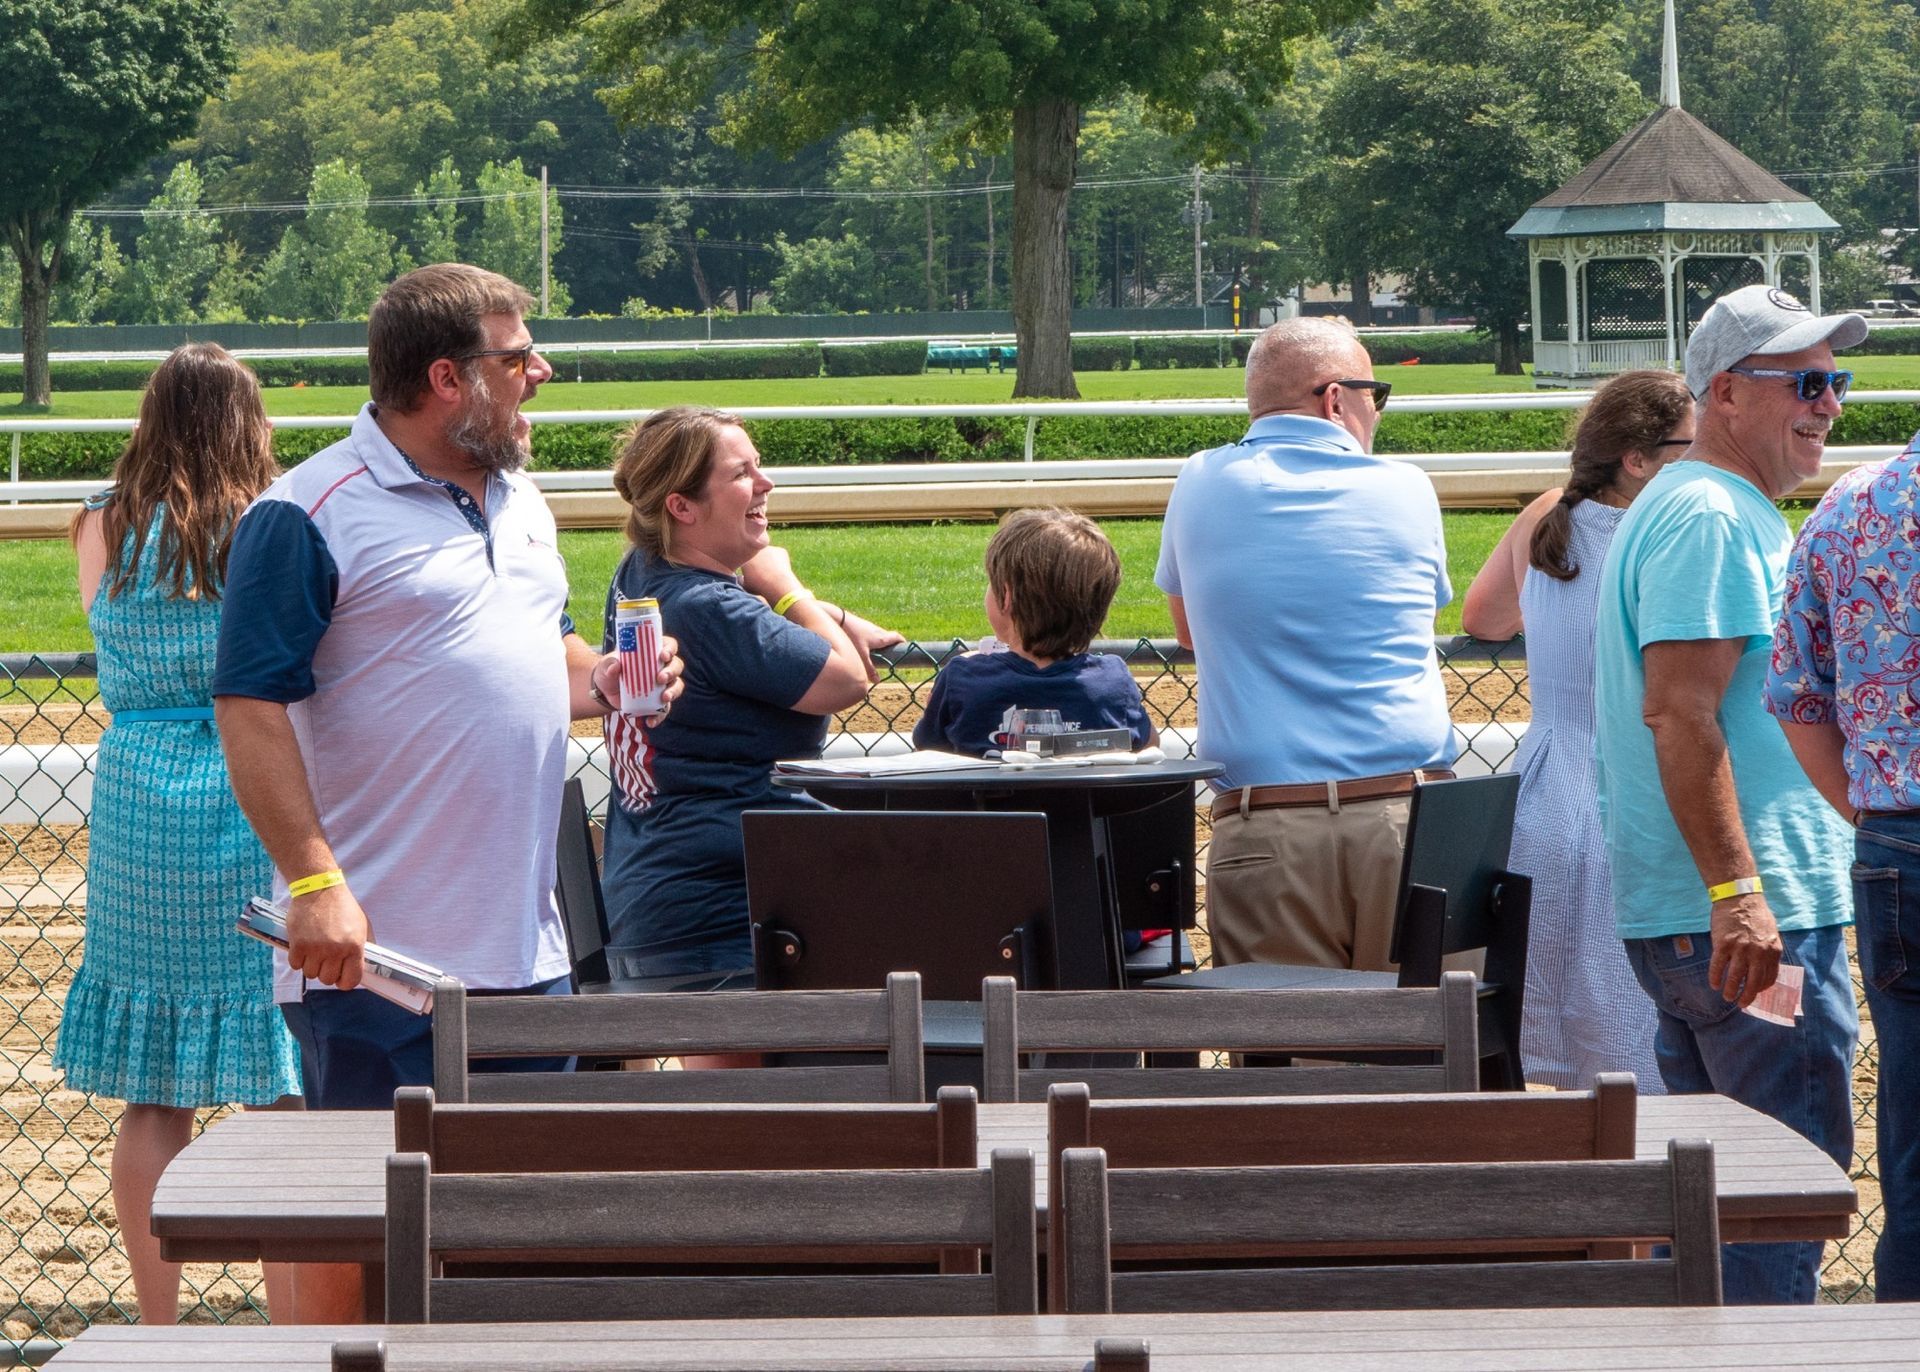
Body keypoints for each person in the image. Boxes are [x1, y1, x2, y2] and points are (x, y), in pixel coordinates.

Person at [211, 266, 680, 1315]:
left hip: (527, 955)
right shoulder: (306, 514)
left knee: (515, 1250)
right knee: (372, 1243)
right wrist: (314, 878)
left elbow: (537, 650)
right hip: (378, 968)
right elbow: (248, 708)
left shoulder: (525, 502)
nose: (540, 375)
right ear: (444, 380)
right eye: (518, 359)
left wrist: (604, 679)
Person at [1591, 283, 1863, 1304]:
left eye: (1835, 380)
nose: (1830, 401)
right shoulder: (1710, 511)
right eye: (1804, 379)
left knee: (1714, 1207)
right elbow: (1682, 712)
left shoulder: (1706, 505)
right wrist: (1735, 892)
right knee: (1780, 1195)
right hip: (1753, 916)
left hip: (1719, 911)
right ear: (1724, 394)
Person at [51, 344, 302, 1325]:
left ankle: (160, 1322)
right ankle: (296, 1316)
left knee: (153, 1096)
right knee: (278, 1087)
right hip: (254, 785)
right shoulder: (273, 529)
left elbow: (108, 632)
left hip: (141, 801)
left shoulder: (100, 523)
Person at [1155, 316, 1454, 973]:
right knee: (1432, 1057)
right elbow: (1418, 612)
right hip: (1409, 824)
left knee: (1284, 1067)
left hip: (1267, 826)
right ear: (1335, 398)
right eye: (1375, 393)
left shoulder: (1200, 480)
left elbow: (1187, 632)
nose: (1378, 410)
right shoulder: (1408, 488)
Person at [599, 405, 900, 982]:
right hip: (717, 921)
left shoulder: (642, 570)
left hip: (667, 899)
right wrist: (787, 586)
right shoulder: (710, 606)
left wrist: (827, 614)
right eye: (741, 474)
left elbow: (742, 630)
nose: (765, 484)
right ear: (681, 507)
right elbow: (848, 680)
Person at [1461, 370, 1694, 1091]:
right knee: (1640, 1038)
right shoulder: (1672, 532)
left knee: (1547, 1037)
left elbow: (1483, 619)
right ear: (1638, 458)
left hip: (1540, 790)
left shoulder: (1546, 513)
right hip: (1628, 797)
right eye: (1693, 444)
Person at [1767, 394, 1920, 1301]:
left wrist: (1871, 819)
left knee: (1911, 1142)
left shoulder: (1854, 504)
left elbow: (1797, 694)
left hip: (1898, 843)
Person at [912, 507, 1155, 757]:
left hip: (987, 797)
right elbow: (1149, 746)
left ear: (1005, 597)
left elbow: (928, 751)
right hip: (1087, 797)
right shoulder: (1112, 681)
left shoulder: (963, 677)